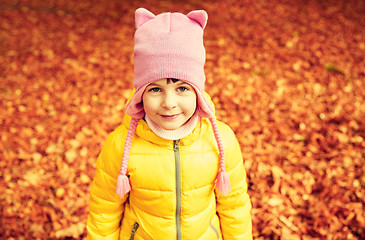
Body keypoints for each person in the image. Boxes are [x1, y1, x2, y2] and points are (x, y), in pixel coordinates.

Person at [87, 7, 252, 240]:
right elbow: (104, 210)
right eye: (155, 89)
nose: (169, 103)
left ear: (198, 93)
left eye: (182, 88)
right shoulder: (120, 144)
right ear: (140, 94)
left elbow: (234, 206)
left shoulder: (220, 140)